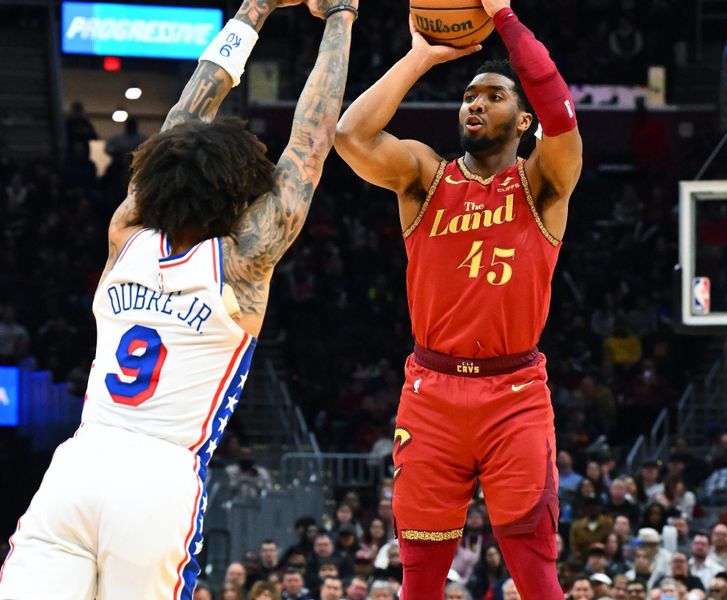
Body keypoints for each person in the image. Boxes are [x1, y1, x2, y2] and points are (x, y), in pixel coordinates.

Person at [0, 0, 357, 596]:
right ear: (243, 190)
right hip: (159, 478)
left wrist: (254, 8)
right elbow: (309, 146)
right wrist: (341, 15)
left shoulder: (127, 232)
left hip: (79, 464)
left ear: (161, 173)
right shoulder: (243, 261)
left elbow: (184, 117)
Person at [336, 0, 582, 594]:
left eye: (494, 95)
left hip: (514, 392)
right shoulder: (425, 175)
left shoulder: (543, 182)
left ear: (524, 122)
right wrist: (419, 58)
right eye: (470, 94)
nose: (475, 102)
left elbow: (556, 103)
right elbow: (349, 134)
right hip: (431, 391)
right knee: (419, 579)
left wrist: (503, 15)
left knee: (535, 573)